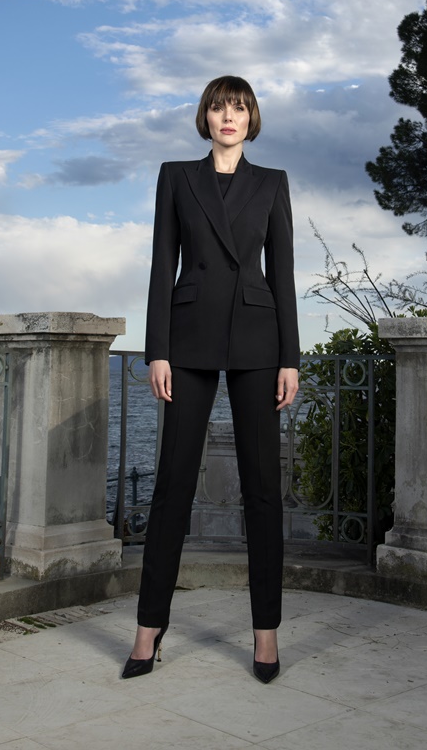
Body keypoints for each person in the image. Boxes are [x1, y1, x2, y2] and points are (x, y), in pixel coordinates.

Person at [122, 75, 300, 683]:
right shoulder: (176, 176)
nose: (230, 116)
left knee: (263, 490)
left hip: (257, 338)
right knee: (172, 485)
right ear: (206, 117)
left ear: (251, 119)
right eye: (220, 107)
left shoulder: (272, 182)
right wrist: (158, 350)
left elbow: (283, 273)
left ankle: (266, 633)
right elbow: (161, 262)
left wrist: (291, 358)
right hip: (189, 338)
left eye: (240, 107)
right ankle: (148, 630)